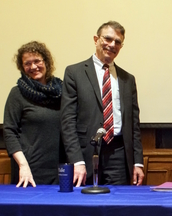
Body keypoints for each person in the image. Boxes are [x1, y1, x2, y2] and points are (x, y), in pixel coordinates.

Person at [60, 21, 144, 186]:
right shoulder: (74, 73)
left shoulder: (128, 79)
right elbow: (67, 121)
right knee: (85, 207)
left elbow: (134, 125)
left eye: (118, 42)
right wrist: (76, 160)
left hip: (119, 154)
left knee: (117, 207)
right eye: (108, 39)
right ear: (96, 39)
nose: (112, 45)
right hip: (86, 154)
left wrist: (138, 162)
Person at [3, 41, 64, 187]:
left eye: (37, 61)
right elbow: (9, 131)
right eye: (27, 63)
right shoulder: (17, 94)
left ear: (46, 62)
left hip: (60, 170)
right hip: (29, 171)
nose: (33, 67)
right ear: (22, 67)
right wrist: (23, 165)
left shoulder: (62, 91)